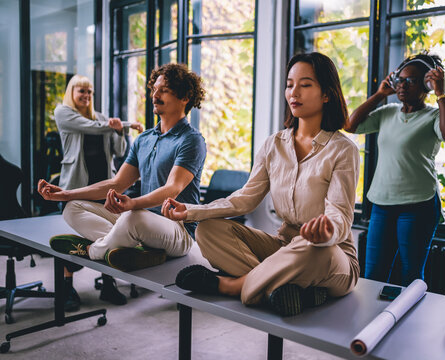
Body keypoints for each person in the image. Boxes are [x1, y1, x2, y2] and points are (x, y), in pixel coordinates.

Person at [164, 52, 360, 317]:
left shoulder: (343, 149)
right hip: (284, 247)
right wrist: (192, 211)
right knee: (208, 230)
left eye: (305, 84)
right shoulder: (274, 144)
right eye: (290, 85)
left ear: (326, 93)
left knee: (312, 248)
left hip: (329, 254)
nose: (294, 92)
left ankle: (234, 286)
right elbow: (245, 198)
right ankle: (286, 289)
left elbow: (340, 212)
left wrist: (328, 233)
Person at [37, 63, 206, 283]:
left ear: (185, 97)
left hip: (177, 229)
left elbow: (172, 189)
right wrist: (65, 194)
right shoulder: (145, 139)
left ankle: (92, 251)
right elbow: (117, 183)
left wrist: (133, 204)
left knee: (133, 217)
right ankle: (134, 249)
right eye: (154, 89)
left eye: (163, 90)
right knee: (72, 208)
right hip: (140, 222)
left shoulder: (191, 140)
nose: (155, 95)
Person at [343, 53, 445, 286]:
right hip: (382, 205)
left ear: (426, 85)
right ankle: (373, 322)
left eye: (412, 81)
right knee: (372, 276)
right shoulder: (387, 113)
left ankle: (409, 322)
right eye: (401, 79)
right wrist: (379, 94)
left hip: (418, 206)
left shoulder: (434, 115)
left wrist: (441, 94)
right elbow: (350, 125)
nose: (403, 86)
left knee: (411, 277)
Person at [54, 74, 143, 311]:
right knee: (71, 234)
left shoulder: (103, 119)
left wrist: (121, 133)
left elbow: (120, 150)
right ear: (72, 93)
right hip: (74, 185)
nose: (86, 95)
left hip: (103, 185)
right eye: (81, 91)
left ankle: (108, 283)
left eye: (89, 92)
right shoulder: (63, 112)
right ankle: (67, 286)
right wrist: (126, 124)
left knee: (108, 231)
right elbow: (91, 128)